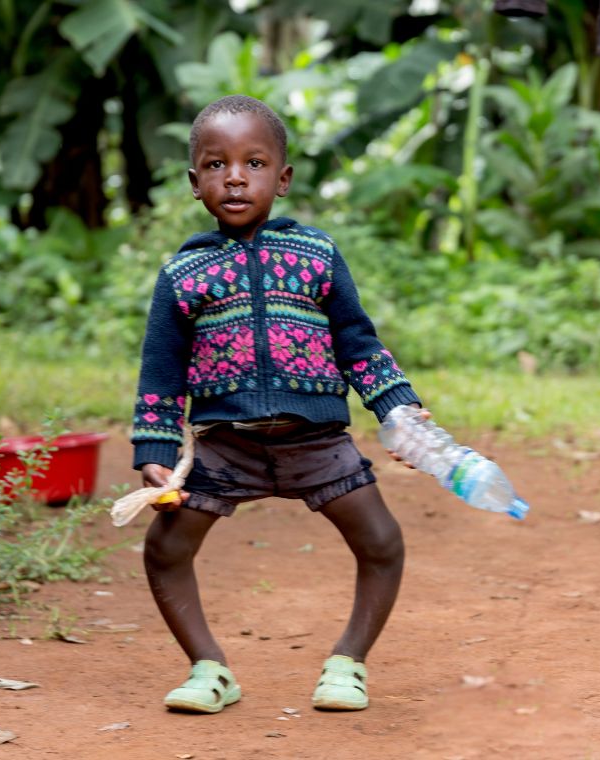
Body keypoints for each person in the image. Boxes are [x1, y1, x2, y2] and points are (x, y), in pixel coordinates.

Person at [130, 94, 422, 714]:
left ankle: (348, 664)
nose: (234, 177)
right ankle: (211, 670)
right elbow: (161, 371)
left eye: (254, 163)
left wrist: (397, 408)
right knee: (165, 550)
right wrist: (154, 449)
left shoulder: (315, 254)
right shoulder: (183, 273)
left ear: (282, 178)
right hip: (225, 447)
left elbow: (356, 340)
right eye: (215, 165)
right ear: (194, 182)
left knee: (382, 543)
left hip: (315, 442)